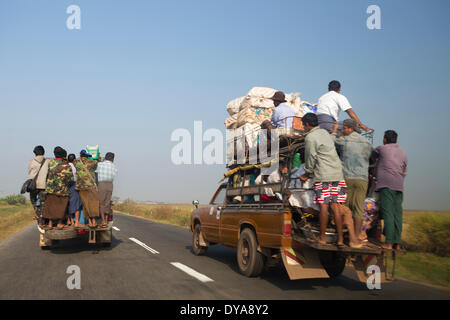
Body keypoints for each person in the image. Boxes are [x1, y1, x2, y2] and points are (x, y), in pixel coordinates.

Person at [299, 113, 361, 248]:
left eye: (304, 125)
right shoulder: (324, 133)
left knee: (324, 206)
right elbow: (330, 143)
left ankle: (322, 237)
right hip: (337, 174)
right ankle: (339, 240)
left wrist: (306, 174)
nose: (303, 127)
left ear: (308, 125)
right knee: (335, 206)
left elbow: (311, 158)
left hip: (324, 175)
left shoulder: (310, 137)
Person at [332, 119, 373, 241]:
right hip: (362, 179)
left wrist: (334, 131)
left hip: (347, 177)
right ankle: (355, 236)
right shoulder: (367, 143)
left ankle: (345, 235)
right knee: (359, 209)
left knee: (345, 207)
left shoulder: (344, 140)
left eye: (344, 128)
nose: (343, 131)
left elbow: (333, 142)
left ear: (350, 129)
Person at [371, 130, 408, 251]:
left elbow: (371, 156)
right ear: (396, 140)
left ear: (385, 139)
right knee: (398, 213)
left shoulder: (382, 148)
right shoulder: (403, 152)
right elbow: (404, 171)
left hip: (386, 185)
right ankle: (396, 243)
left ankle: (388, 242)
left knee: (388, 213)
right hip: (399, 186)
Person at [42, 147, 73, 230]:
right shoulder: (66, 165)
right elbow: (70, 178)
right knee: (61, 207)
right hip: (62, 190)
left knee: (51, 206)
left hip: (51, 189)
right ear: (63, 155)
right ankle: (59, 223)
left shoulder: (50, 163)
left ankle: (50, 224)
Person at [74, 150, 100, 228]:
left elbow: (75, 161)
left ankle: (89, 222)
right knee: (93, 204)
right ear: (87, 155)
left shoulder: (77, 163)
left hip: (81, 187)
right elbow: (97, 161)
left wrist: (80, 157)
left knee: (85, 205)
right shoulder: (92, 162)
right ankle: (94, 222)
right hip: (91, 186)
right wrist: (91, 156)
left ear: (81, 155)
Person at [28, 145, 50, 224]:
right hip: (44, 185)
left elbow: (29, 172)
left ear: (35, 153)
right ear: (43, 153)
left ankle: (38, 214)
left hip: (33, 186)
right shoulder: (48, 161)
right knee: (43, 202)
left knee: (33, 200)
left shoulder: (31, 162)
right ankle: (43, 216)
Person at [95, 152, 118, 228]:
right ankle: (106, 219)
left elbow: (96, 173)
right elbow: (115, 174)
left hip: (101, 184)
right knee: (107, 203)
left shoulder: (100, 164)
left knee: (101, 203)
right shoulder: (114, 166)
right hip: (110, 185)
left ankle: (103, 221)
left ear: (105, 157)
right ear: (113, 159)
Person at [67, 153, 84, 228]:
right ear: (74, 160)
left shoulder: (65, 166)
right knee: (77, 204)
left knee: (69, 203)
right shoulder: (75, 167)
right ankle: (76, 222)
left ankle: (70, 220)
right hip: (74, 185)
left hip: (66, 186)